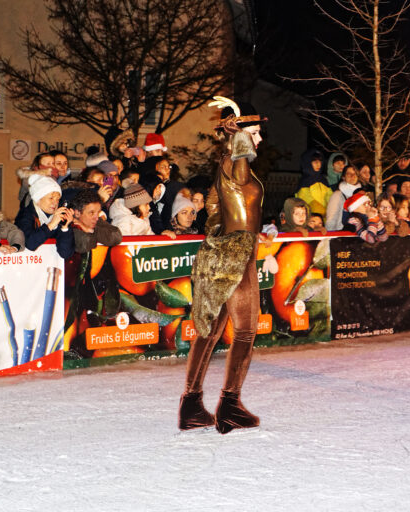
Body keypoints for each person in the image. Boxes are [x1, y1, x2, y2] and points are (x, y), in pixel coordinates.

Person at [180, 97, 271, 434]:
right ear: (241, 136)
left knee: (211, 330)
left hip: (221, 252)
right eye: (255, 132)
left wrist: (242, 231)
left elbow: (217, 212)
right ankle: (230, 405)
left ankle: (191, 404)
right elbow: (241, 166)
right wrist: (237, 134)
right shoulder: (237, 163)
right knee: (245, 330)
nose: (260, 139)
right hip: (236, 255)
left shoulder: (225, 165)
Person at [15, 175, 74, 258]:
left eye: (57, 199)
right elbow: (30, 244)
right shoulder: (25, 215)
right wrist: (51, 225)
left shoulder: (59, 216)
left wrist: (65, 228)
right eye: (51, 198)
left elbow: (65, 253)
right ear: (38, 199)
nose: (55, 203)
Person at [295, 149, 332, 216]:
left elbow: (329, 196)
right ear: (308, 163)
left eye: (320, 161)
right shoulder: (304, 181)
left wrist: (330, 211)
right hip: (311, 217)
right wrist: (320, 212)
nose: (318, 164)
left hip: (325, 217)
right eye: (315, 162)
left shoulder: (323, 180)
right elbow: (307, 199)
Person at [325, 165, 362, 231]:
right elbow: (331, 220)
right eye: (349, 174)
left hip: (359, 234)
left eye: (355, 174)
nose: (352, 176)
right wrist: (331, 235)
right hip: (341, 233)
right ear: (343, 177)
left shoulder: (361, 195)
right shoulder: (337, 195)